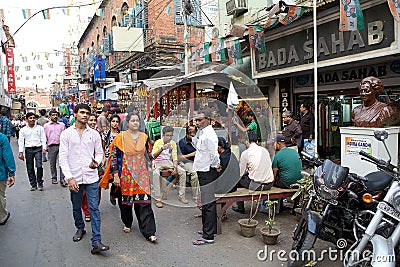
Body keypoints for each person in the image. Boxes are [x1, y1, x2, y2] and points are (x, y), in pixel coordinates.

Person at [59, 103, 109, 254]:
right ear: (75, 114)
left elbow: (100, 153)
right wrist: (69, 178)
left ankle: (97, 241)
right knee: (76, 206)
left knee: (94, 208)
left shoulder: (94, 134)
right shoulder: (66, 134)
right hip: (74, 177)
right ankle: (80, 228)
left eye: (87, 113)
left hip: (91, 177)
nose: (85, 115)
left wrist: (97, 162)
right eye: (82, 112)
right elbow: (62, 157)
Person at [99, 112, 157, 242]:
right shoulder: (120, 138)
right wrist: (115, 175)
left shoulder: (144, 137)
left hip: (141, 174)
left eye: (137, 121)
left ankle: (149, 232)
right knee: (126, 203)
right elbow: (113, 157)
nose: (136, 123)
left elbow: (148, 152)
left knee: (144, 202)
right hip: (126, 175)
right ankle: (127, 222)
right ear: (127, 123)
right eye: (133, 121)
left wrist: (152, 160)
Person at [192, 109, 220, 246]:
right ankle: (209, 230)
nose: (197, 123)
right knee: (208, 202)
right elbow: (199, 148)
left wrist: (216, 165)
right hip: (203, 169)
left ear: (208, 119)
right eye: (196, 120)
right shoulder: (203, 133)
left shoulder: (209, 134)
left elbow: (214, 155)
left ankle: (208, 235)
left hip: (207, 171)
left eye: (200, 120)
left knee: (207, 203)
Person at [232, 132, 274, 214]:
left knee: (239, 180)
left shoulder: (246, 153)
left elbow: (241, 173)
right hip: (269, 184)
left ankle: (240, 207)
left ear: (247, 142)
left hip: (256, 185)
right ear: (257, 142)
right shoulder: (265, 150)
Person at [152, 126, 188, 208]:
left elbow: (174, 157)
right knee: (155, 173)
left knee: (182, 172)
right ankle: (158, 198)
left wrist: (175, 167)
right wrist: (161, 148)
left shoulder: (173, 143)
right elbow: (153, 156)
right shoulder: (158, 142)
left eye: (171, 135)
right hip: (158, 162)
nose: (169, 137)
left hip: (169, 162)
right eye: (167, 135)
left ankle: (181, 195)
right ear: (163, 135)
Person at [18, 112, 47, 191]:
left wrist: (44, 148)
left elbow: (43, 138)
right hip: (29, 149)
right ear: (26, 120)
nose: (32, 119)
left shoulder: (40, 128)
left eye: (34, 118)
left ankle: (40, 183)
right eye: (30, 118)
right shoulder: (23, 130)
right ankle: (33, 184)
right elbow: (21, 141)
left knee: (39, 166)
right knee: (30, 168)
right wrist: (21, 152)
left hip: (38, 148)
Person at [44, 110, 67, 186]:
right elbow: (45, 137)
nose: (55, 116)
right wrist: (45, 146)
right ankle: (54, 177)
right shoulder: (46, 126)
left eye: (56, 115)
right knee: (52, 163)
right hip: (51, 146)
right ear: (50, 116)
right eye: (53, 115)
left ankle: (62, 179)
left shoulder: (62, 125)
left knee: (62, 163)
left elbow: (65, 136)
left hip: (61, 146)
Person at [102, 114, 120, 206]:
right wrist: (103, 158)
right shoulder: (105, 134)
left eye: (117, 122)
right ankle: (112, 194)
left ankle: (113, 194)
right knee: (110, 178)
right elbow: (102, 146)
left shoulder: (121, 135)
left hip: (118, 159)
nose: (115, 123)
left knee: (116, 178)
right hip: (108, 159)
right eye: (113, 121)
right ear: (110, 122)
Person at [178, 125, 199, 201]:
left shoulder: (197, 140)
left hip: (198, 161)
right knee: (195, 173)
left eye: (194, 132)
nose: (193, 135)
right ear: (187, 133)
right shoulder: (182, 142)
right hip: (187, 162)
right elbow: (179, 157)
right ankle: (196, 196)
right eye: (191, 133)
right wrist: (192, 154)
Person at [0, 132, 15, 225]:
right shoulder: (1, 137)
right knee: (0, 196)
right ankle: (2, 217)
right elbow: (7, 155)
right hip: (1, 173)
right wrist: (11, 173)